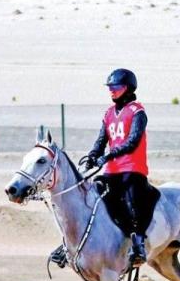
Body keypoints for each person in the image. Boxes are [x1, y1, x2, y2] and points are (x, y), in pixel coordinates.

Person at [50, 68, 152, 268]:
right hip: (112, 171)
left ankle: (139, 245)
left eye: (116, 87)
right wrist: (92, 156)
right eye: (110, 87)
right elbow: (101, 140)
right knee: (87, 198)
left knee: (132, 200)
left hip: (133, 169)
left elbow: (132, 142)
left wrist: (108, 156)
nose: (112, 91)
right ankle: (68, 245)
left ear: (128, 88)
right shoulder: (108, 114)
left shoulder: (137, 112)